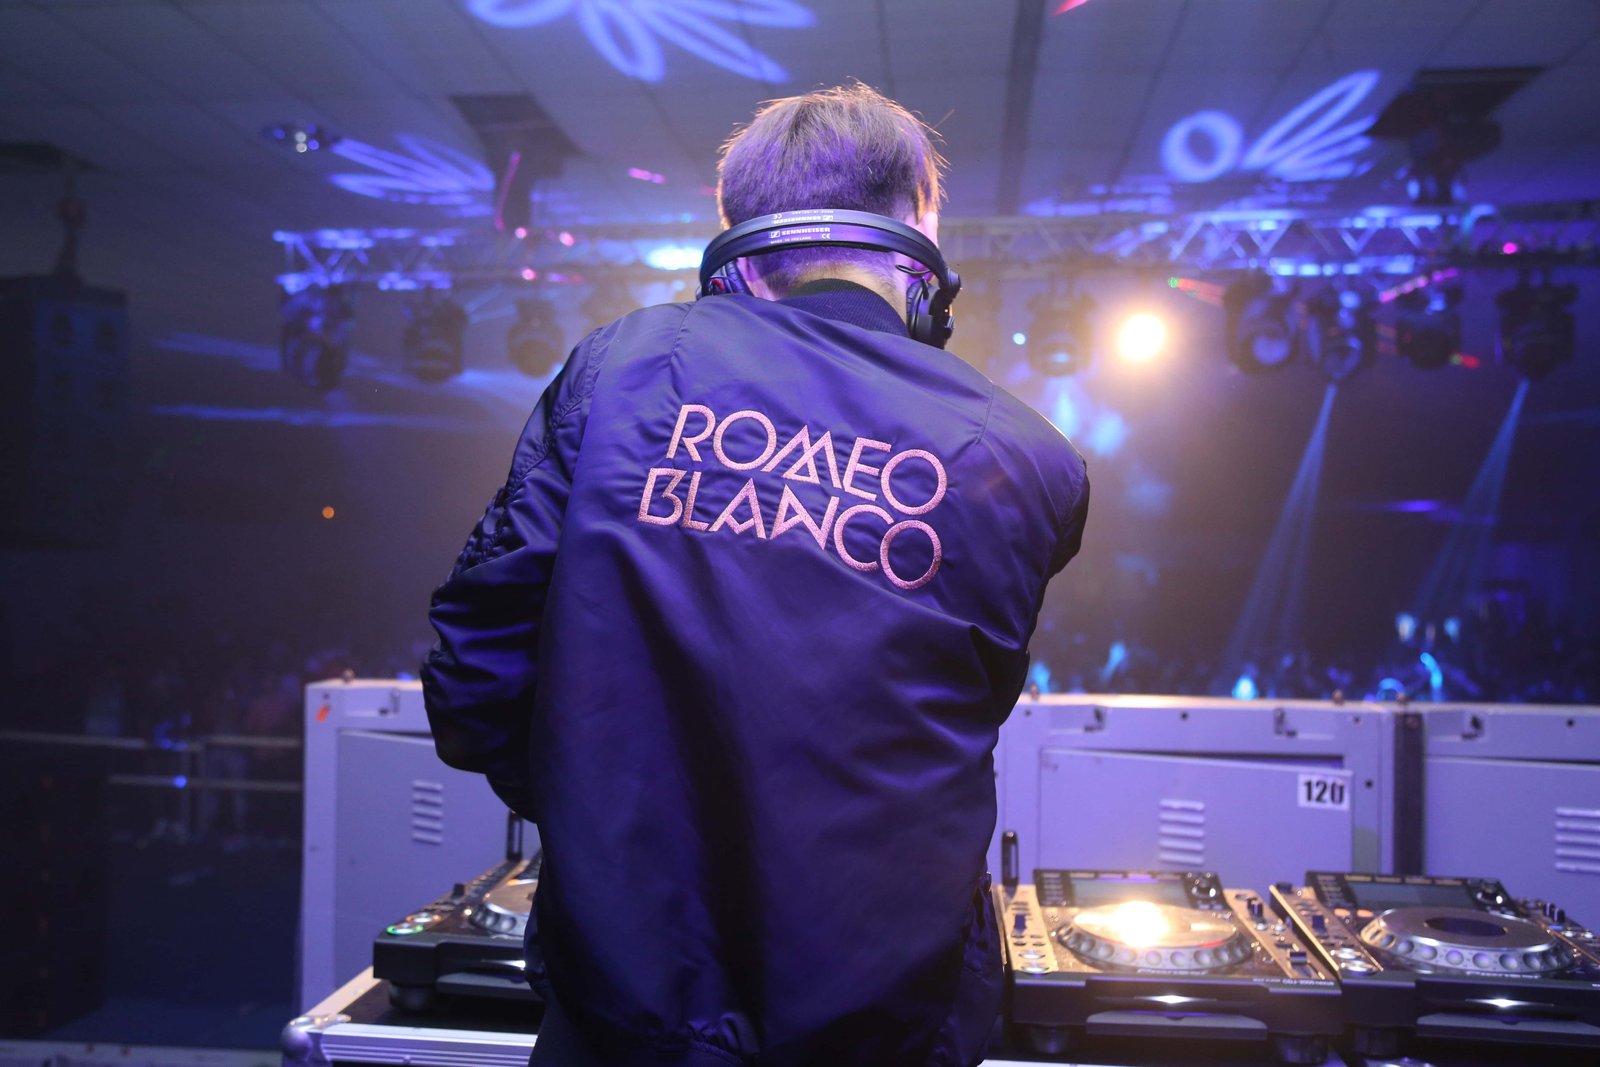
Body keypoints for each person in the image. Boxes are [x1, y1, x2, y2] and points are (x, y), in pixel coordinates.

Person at [423, 84, 1089, 1067]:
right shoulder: (1024, 458)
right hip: (882, 1029)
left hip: (616, 1017)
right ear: (920, 217)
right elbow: (951, 715)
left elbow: (474, 687)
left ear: (734, 232)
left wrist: (607, 802)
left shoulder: (622, 369)